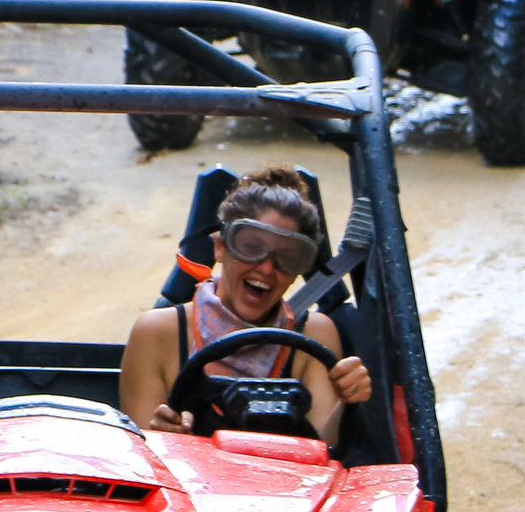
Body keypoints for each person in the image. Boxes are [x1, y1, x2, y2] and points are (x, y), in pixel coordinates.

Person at [119, 166, 371, 441]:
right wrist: (163, 435)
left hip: (286, 480)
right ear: (220, 248)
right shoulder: (157, 333)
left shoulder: (316, 334)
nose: (266, 269)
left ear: (300, 269)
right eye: (251, 248)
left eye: (287, 258)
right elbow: (144, 462)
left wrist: (348, 400)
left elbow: (327, 450)